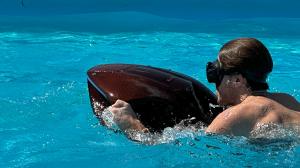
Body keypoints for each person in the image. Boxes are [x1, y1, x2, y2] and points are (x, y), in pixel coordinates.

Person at [108, 38, 300, 137]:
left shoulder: (233, 117)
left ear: (238, 80)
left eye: (216, 73)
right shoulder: (288, 100)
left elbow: (168, 148)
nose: (212, 80)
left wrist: (131, 125)